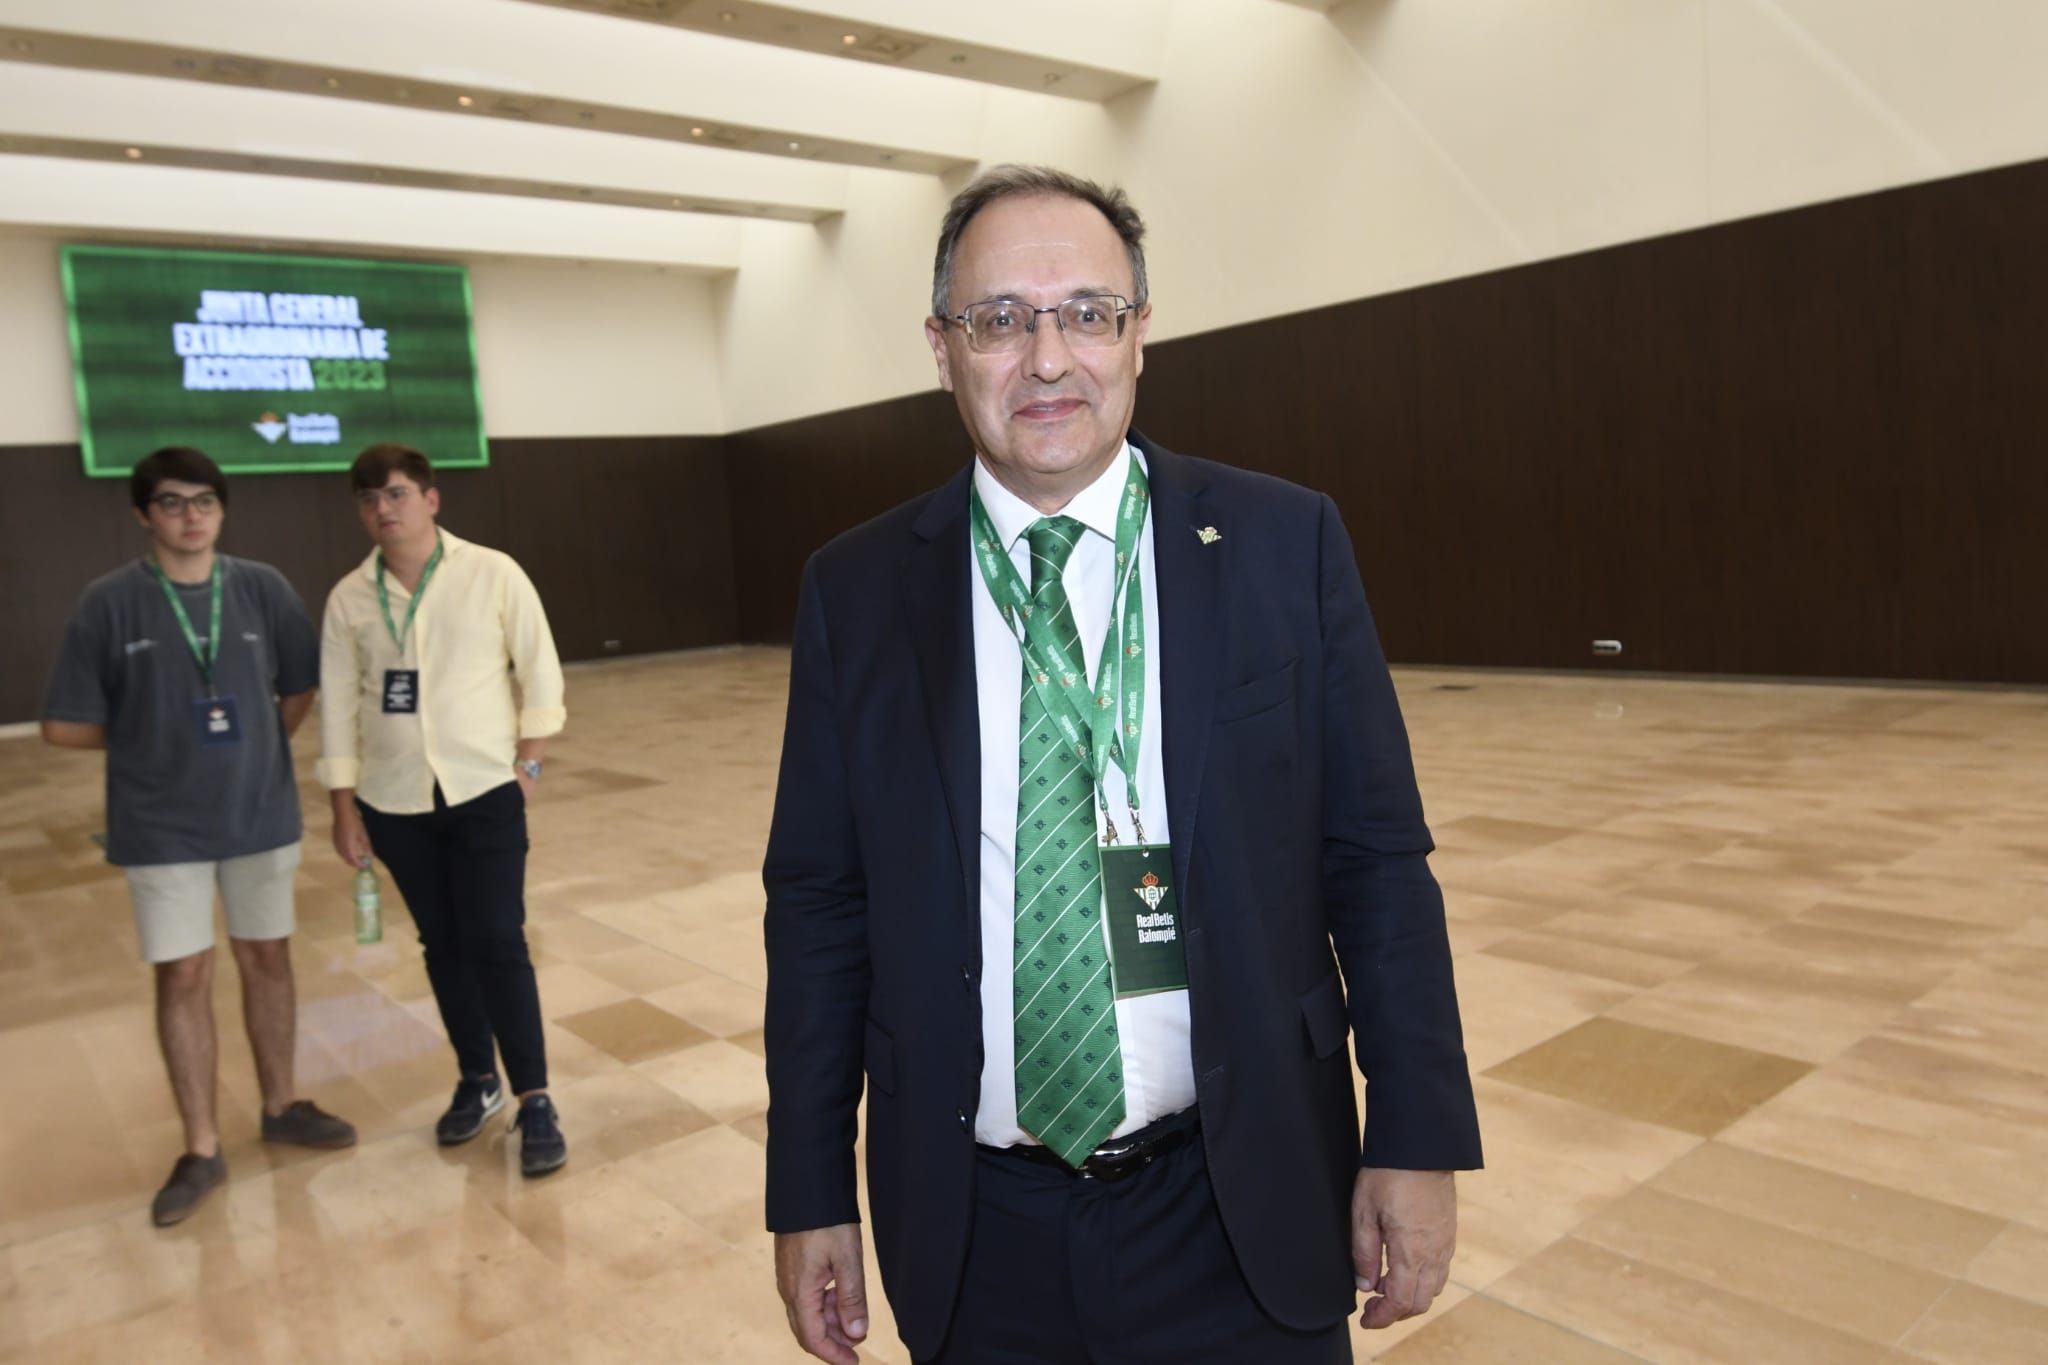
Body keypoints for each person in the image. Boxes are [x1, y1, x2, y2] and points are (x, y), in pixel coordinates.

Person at [763, 166, 1484, 1364]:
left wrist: (1412, 1138)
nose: (1046, 358)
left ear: (1139, 334)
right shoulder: (855, 591)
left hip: (1243, 1200)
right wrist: (808, 1189)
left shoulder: (1281, 543)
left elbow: (1375, 860)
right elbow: (820, 907)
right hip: (973, 1226)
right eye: (999, 320)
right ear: (942, 349)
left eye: (1086, 312)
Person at [41, 446, 357, 1228]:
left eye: (205, 500)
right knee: (182, 975)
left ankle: (281, 1105)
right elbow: (62, 724)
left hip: (259, 814)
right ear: (145, 514)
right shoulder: (109, 602)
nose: (191, 515)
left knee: (268, 958)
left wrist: (252, 746)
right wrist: (154, 744)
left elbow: (298, 686)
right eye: (173, 501)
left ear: (222, 509)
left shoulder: (262, 588)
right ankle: (201, 1146)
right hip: (160, 828)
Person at [315, 443, 568, 1177]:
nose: (381, 509)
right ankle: (477, 1079)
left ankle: (536, 1094)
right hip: (393, 800)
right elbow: (336, 709)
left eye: (394, 492)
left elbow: (539, 666)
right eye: (367, 498)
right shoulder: (348, 599)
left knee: (498, 938)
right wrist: (342, 805)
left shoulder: (492, 571)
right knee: (443, 944)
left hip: (484, 787)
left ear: (430, 498)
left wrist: (527, 761)